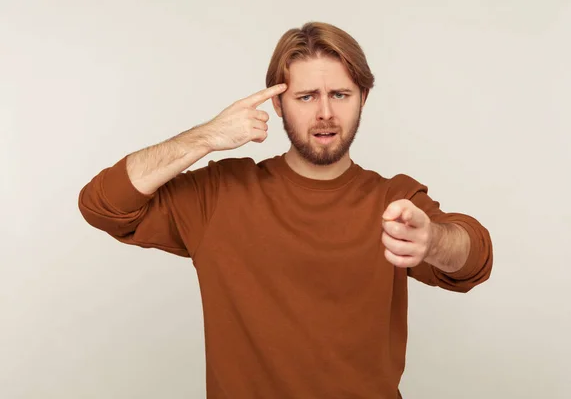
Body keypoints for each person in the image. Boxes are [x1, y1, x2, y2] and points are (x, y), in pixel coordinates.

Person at [78, 21, 493, 399]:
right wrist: (204, 137)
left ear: (363, 97)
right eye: (306, 96)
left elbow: (473, 258)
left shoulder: (394, 201)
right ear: (278, 103)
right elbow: (103, 205)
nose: (325, 113)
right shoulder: (220, 193)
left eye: (340, 95)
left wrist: (432, 240)